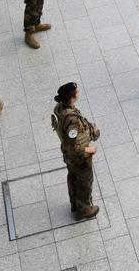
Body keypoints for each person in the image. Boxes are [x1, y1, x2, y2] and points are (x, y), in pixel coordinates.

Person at [52, 82, 101, 220]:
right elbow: (74, 146)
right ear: (72, 98)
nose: (78, 92)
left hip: (69, 157)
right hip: (79, 158)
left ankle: (75, 205)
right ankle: (84, 210)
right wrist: (89, 149)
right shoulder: (72, 120)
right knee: (85, 181)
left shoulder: (61, 108)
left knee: (73, 178)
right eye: (76, 92)